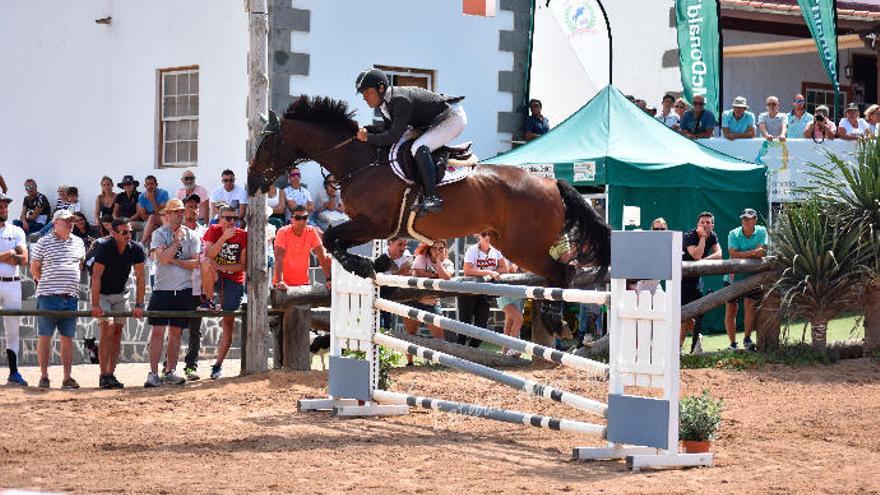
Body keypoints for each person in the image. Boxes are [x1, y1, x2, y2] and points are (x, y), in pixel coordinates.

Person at [354, 68, 467, 215]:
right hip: (434, 120)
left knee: (418, 147)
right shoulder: (384, 103)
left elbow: (392, 137)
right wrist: (367, 130)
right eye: (363, 93)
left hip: (451, 118)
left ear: (381, 88)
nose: (364, 97)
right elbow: (387, 130)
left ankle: (432, 197)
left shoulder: (400, 100)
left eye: (367, 92)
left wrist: (367, 138)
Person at [145, 198, 200, 387]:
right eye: (176, 211)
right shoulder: (158, 234)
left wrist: (175, 260)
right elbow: (164, 258)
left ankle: (170, 371)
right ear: (166, 214)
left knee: (176, 333)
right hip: (162, 289)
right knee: (158, 331)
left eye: (181, 211)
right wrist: (176, 242)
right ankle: (153, 373)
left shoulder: (192, 236)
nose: (180, 214)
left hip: (183, 289)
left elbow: (195, 264)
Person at [30, 209, 86, 389]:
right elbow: (35, 268)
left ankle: (67, 377)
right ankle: (44, 376)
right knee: (45, 337)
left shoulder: (78, 242)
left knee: (67, 337)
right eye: (66, 221)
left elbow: (79, 265)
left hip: (70, 297)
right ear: (55, 223)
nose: (70, 224)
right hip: (48, 297)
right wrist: (48, 285)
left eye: (72, 221)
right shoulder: (43, 242)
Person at [90, 217, 146, 389]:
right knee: (107, 328)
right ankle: (103, 375)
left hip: (121, 294)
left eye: (130, 231)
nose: (129, 235)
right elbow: (96, 275)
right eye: (124, 232)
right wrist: (95, 304)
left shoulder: (135, 249)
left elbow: (140, 277)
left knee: (117, 331)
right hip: (104, 295)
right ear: (113, 233)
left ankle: (111, 374)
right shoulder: (105, 248)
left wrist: (139, 304)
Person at [199, 204, 248, 380]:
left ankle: (218, 364)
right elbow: (209, 254)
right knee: (205, 263)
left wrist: (221, 266)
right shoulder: (213, 230)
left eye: (235, 218)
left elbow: (242, 266)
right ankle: (209, 300)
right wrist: (224, 238)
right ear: (219, 219)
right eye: (228, 218)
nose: (232, 221)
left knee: (227, 323)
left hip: (234, 281)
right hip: (215, 277)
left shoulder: (243, 235)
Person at [403, 240, 453, 365]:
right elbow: (420, 274)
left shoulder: (447, 263)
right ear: (429, 249)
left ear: (445, 249)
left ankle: (440, 362)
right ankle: (409, 362)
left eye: (440, 248)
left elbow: (447, 279)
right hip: (414, 301)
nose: (437, 251)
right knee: (411, 333)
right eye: (434, 248)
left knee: (440, 337)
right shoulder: (421, 258)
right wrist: (437, 276)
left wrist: (438, 263)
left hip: (432, 303)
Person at [724, 208, 768, 352]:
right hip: (732, 277)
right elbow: (732, 253)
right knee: (731, 309)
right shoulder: (733, 233)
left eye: (748, 218)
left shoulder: (762, 231)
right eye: (743, 218)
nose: (745, 221)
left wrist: (742, 254)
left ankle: (747, 339)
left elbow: (763, 252)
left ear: (755, 220)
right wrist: (753, 253)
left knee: (750, 306)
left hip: (753, 278)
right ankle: (732, 344)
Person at [681, 212, 722, 354]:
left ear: (712, 225)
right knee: (682, 316)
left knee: (695, 314)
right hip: (680, 281)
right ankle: (678, 350)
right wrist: (703, 238)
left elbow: (719, 255)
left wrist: (702, 262)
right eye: (702, 222)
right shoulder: (689, 236)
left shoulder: (713, 236)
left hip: (696, 280)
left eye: (708, 222)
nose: (705, 225)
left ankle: (694, 342)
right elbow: (696, 255)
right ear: (697, 225)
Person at [458, 232, 506, 348]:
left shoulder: (496, 250)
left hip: (484, 292)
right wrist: (489, 272)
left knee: (482, 326)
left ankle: (470, 351)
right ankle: (458, 352)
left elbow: (504, 268)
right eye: (484, 234)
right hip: (468, 291)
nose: (488, 237)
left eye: (490, 234)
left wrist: (493, 274)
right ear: (478, 236)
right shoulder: (472, 249)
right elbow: (467, 271)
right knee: (465, 325)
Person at [0, 193, 28, 386]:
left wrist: (7, 255)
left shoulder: (16, 230)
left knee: (12, 329)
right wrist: (11, 253)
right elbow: (17, 255)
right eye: (1, 206)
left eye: (5, 206)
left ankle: (14, 372)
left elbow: (24, 259)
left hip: (12, 282)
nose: (4, 209)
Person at [181, 193, 208, 380]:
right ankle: (169, 365)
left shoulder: (204, 231)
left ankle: (191, 367)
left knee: (195, 329)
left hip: (198, 286)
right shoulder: (177, 231)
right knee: (173, 326)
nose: (194, 209)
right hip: (179, 284)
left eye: (196, 207)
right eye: (190, 206)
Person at [273, 205, 331, 289]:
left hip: (303, 284)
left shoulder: (311, 231)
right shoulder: (283, 232)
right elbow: (279, 258)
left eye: (304, 217)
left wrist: (328, 279)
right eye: (298, 218)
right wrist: (280, 282)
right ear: (291, 219)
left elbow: (322, 256)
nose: (301, 221)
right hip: (282, 286)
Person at [373, 237, 414, 330]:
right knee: (382, 323)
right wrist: (399, 273)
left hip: (396, 293)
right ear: (390, 243)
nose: (403, 248)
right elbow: (379, 281)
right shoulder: (380, 255)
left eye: (405, 245)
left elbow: (409, 275)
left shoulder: (406, 256)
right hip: (379, 293)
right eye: (400, 244)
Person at [496, 255, 523, 356]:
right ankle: (513, 347)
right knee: (518, 320)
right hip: (504, 294)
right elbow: (509, 270)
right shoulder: (500, 254)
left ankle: (504, 352)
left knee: (509, 324)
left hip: (518, 295)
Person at [137, 175, 169, 250]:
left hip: (164, 220)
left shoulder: (163, 193)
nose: (150, 186)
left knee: (152, 217)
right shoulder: (142, 196)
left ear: (156, 185)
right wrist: (153, 218)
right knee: (151, 229)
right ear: (145, 186)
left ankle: (142, 243)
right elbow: (143, 216)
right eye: (148, 184)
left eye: (152, 184)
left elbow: (161, 212)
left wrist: (152, 199)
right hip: (150, 221)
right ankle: (150, 256)